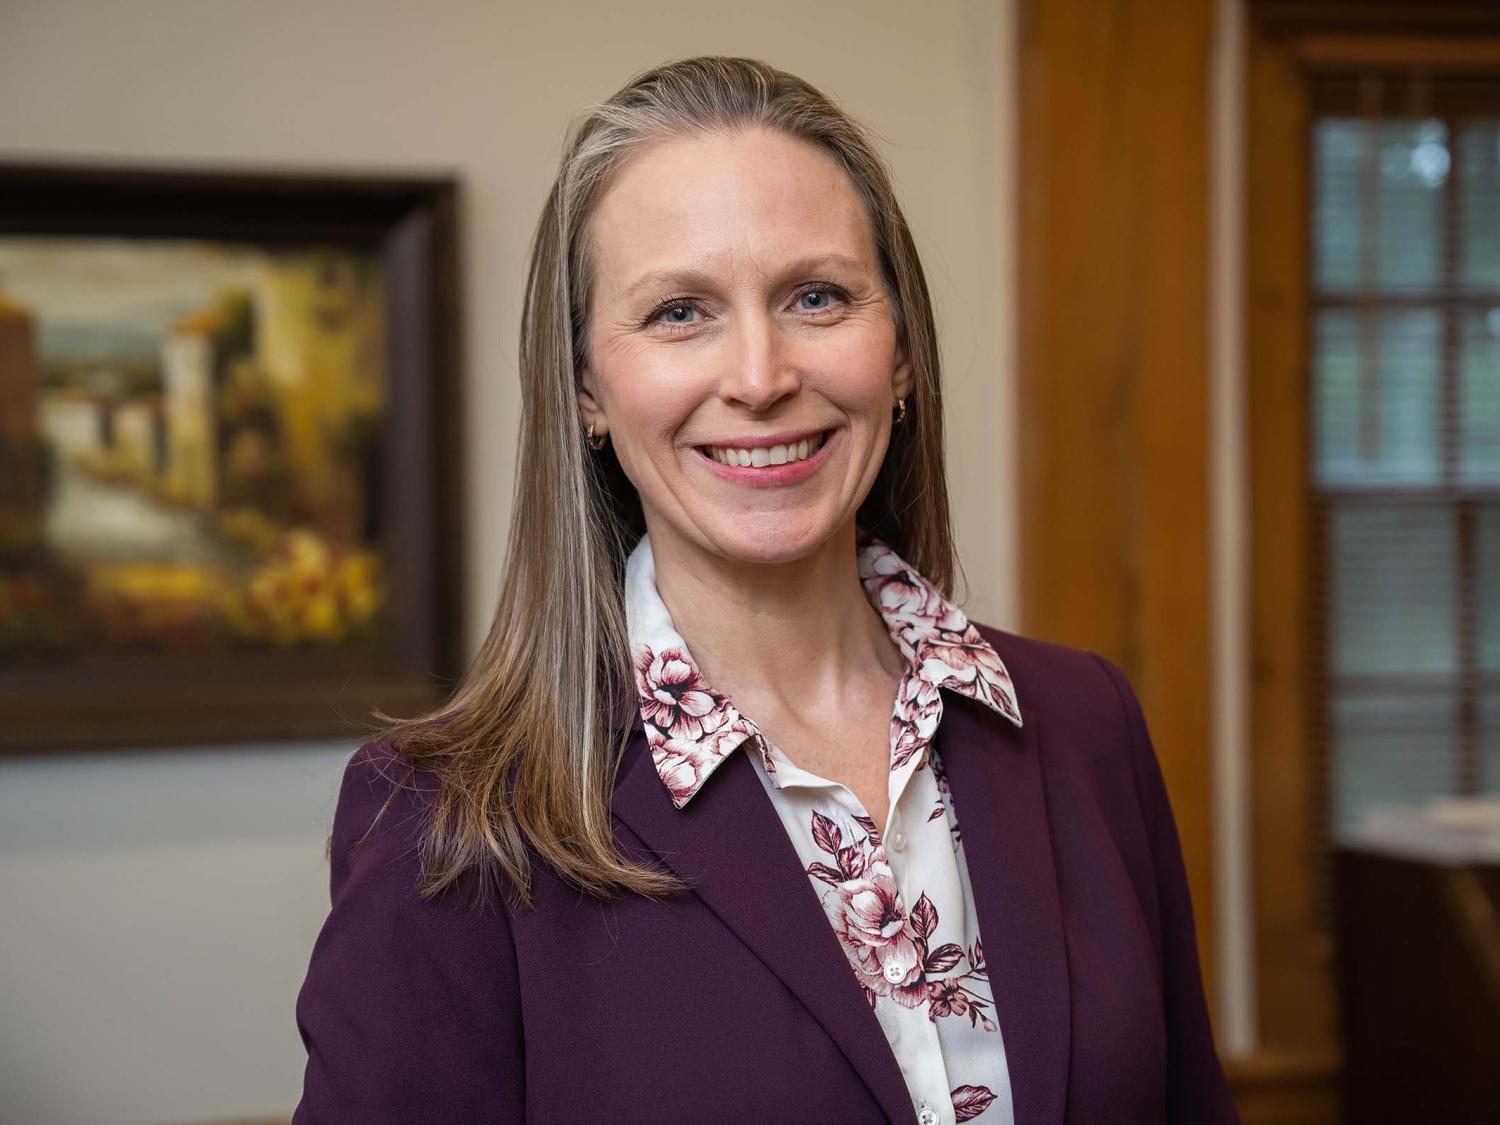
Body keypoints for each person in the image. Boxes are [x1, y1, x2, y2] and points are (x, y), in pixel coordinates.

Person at [291, 55, 1240, 1125]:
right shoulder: (451, 820)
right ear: (588, 390)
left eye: (817, 296)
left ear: (903, 352)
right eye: (680, 313)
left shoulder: (1084, 724)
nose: (760, 375)